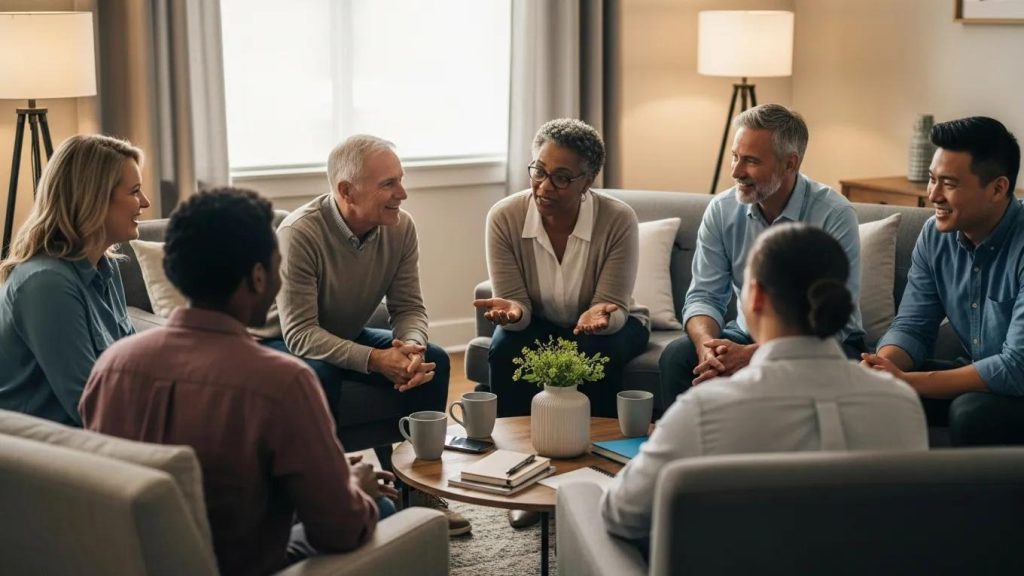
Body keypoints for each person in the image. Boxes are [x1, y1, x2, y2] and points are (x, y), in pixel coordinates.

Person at [80, 189, 391, 576]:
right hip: (237, 566)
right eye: (279, 266)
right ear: (258, 277)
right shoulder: (282, 381)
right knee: (380, 508)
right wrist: (357, 487)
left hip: (136, 562)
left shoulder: (111, 367)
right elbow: (339, 530)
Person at [602, 223, 928, 547]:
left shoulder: (703, 409)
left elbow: (622, 515)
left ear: (755, 295)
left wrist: (664, 440)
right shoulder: (902, 404)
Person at [260, 134, 466, 535]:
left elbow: (408, 307)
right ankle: (330, 494)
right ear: (346, 191)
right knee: (319, 375)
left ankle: (418, 488)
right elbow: (301, 334)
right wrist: (375, 360)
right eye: (388, 184)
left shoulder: (401, 228)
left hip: (342, 333)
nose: (402, 194)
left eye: (400, 180)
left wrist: (410, 346)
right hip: (278, 340)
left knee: (436, 360)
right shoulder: (299, 233)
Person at [658, 103, 866, 409]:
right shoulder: (722, 209)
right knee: (678, 358)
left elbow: (838, 323)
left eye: (751, 161)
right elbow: (704, 295)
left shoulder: (834, 214)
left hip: (823, 342)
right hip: (746, 332)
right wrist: (707, 348)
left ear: (790, 163)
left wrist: (756, 355)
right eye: (735, 156)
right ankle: (694, 453)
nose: (736, 171)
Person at [862, 116, 1024, 446]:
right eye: (932, 180)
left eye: (948, 183)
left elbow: (1016, 366)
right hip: (979, 374)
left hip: (1016, 382)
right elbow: (912, 326)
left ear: (998, 188)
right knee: (873, 397)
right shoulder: (936, 237)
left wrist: (909, 381)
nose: (933, 195)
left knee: (971, 414)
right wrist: (883, 369)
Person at [474, 118, 650, 420]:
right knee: (504, 347)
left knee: (597, 349)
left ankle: (599, 450)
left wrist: (601, 318)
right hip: (539, 322)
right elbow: (517, 306)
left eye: (562, 178)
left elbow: (614, 306)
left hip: (611, 327)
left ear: (588, 180)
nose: (544, 186)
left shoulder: (618, 219)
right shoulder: (504, 217)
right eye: (539, 171)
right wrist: (514, 314)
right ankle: (512, 448)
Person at [0, 134, 149, 425]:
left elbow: (127, 371)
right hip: (48, 453)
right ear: (93, 199)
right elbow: (90, 408)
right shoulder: (45, 284)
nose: (145, 202)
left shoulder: (107, 266)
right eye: (134, 191)